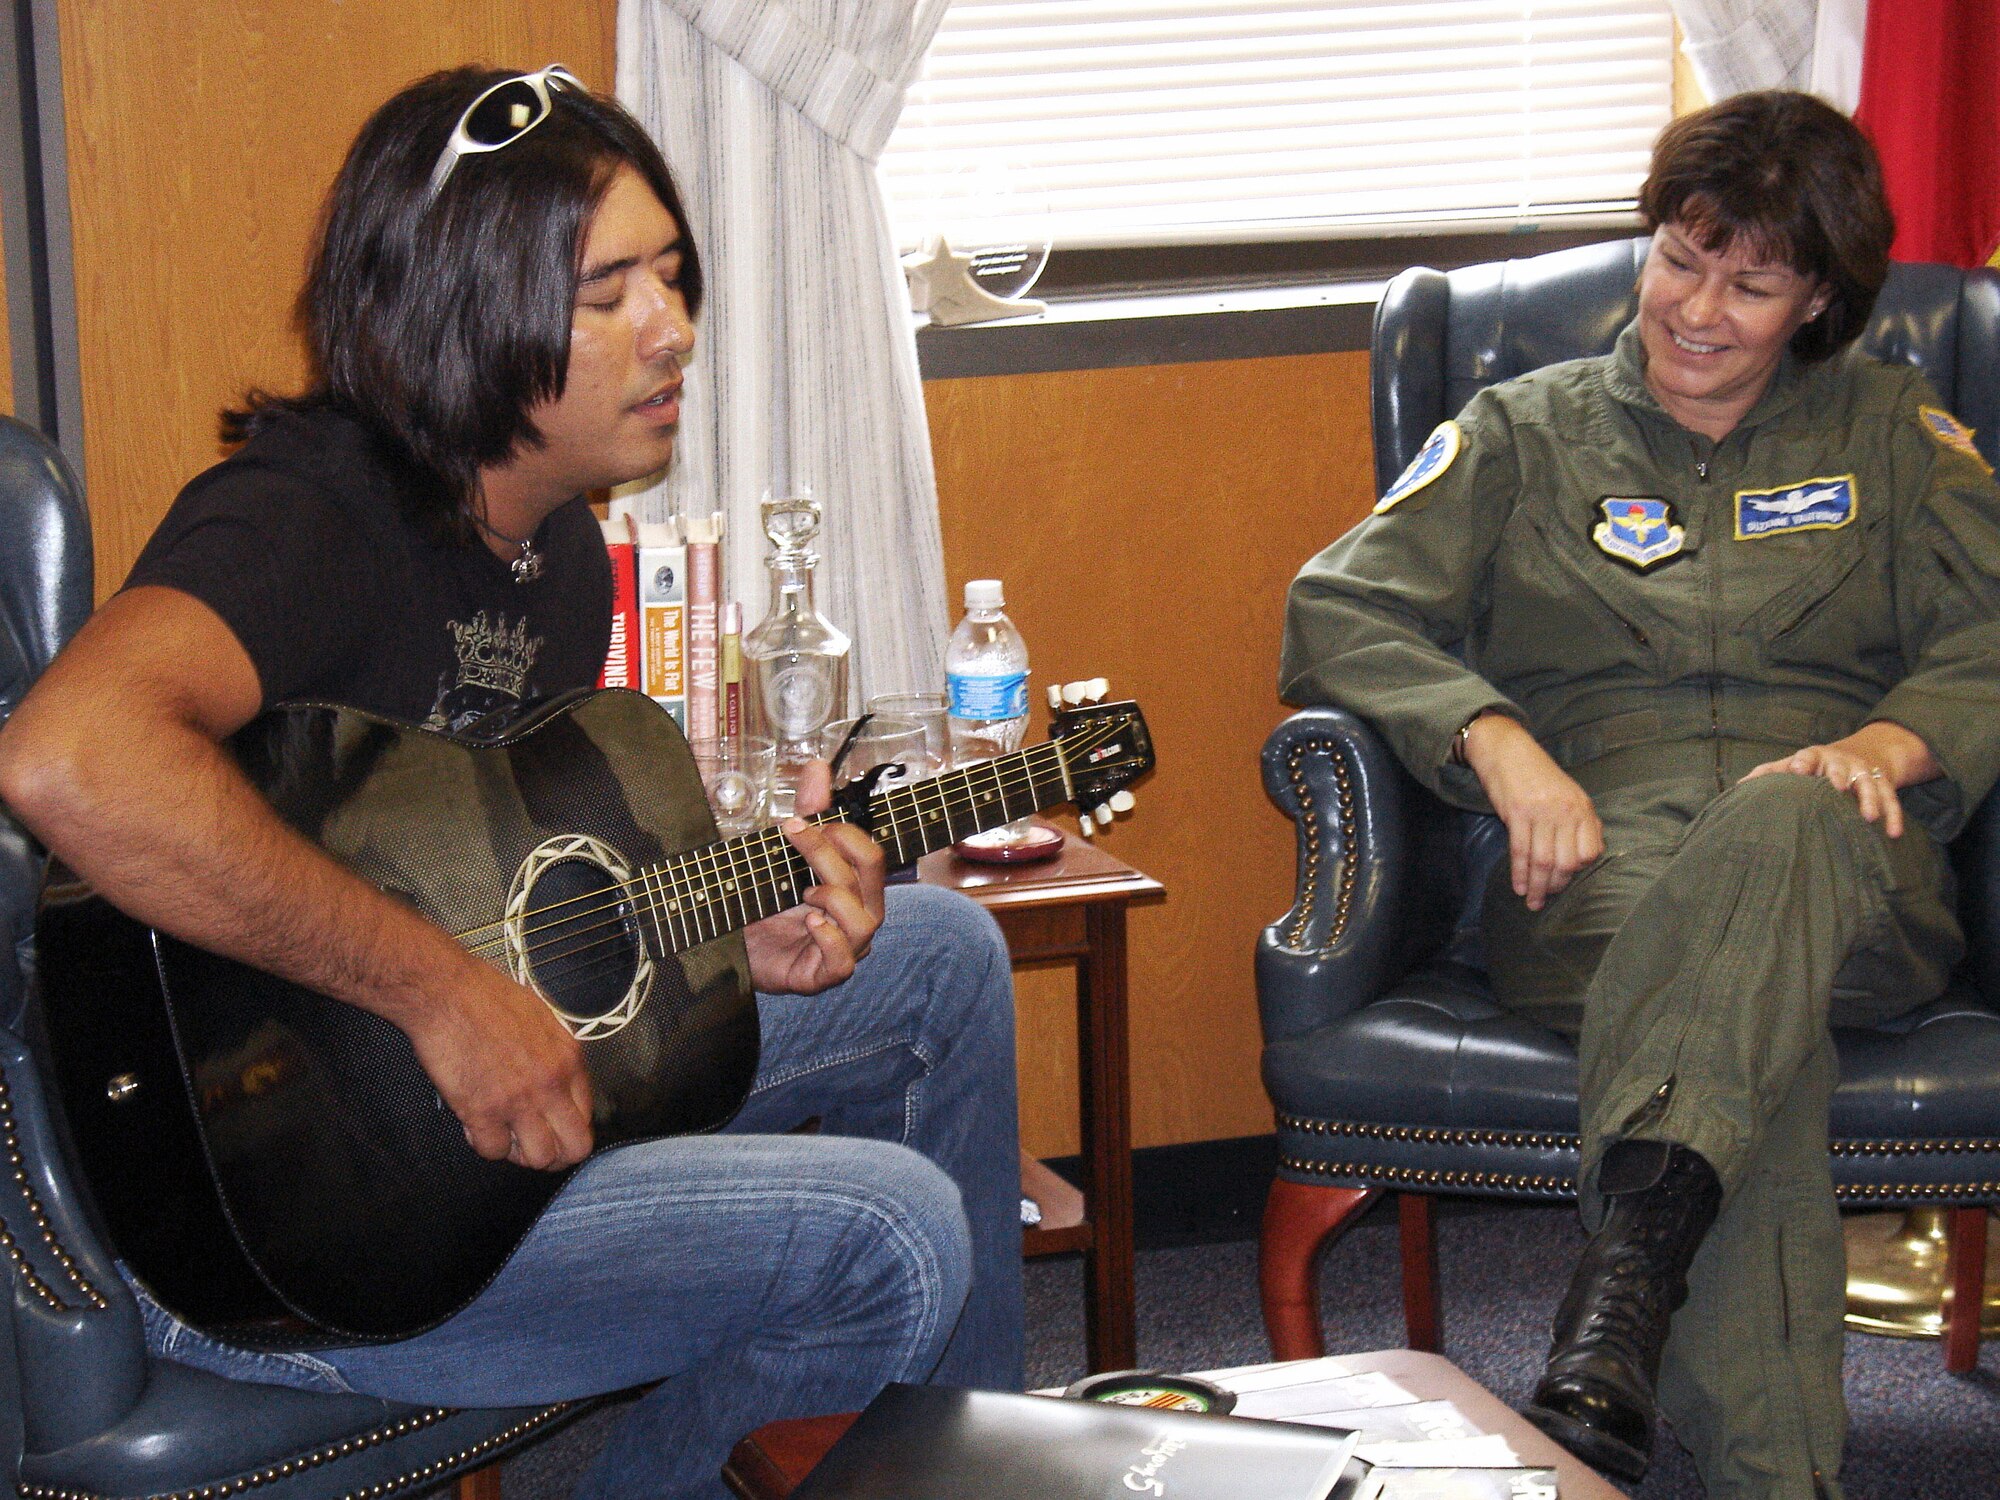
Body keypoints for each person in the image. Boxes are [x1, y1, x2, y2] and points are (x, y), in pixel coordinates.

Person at [0, 65, 1024, 1500]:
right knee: (886, 1234)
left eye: (672, 275)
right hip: (270, 1224)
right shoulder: (310, 515)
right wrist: (435, 992)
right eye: (607, 292)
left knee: (939, 957)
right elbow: (68, 756)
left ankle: (983, 1477)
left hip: (456, 1147)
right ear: (460, 304)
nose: (672, 330)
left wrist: (728, 953)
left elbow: (519, 926)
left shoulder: (561, 561)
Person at [1281, 91, 2000, 1499]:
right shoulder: (1522, 434)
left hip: (1851, 865)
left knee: (1787, 824)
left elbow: (1994, 630)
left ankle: (1620, 1285)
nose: (1699, 308)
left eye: (1753, 282)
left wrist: (1895, 749)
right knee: (1750, 1055)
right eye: (1683, 256)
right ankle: (1751, 1448)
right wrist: (1497, 740)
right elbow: (1339, 609)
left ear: (1817, 304)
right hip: (1596, 872)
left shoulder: (1895, 434)